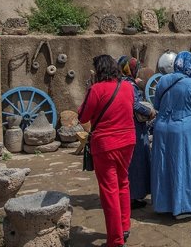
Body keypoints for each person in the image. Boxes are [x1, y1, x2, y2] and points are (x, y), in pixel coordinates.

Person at [78, 55, 136, 247]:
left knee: (109, 191)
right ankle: (124, 226)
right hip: (127, 141)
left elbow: (82, 116)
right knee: (123, 183)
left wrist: (89, 90)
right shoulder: (127, 86)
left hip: (106, 145)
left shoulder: (96, 89)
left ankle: (116, 239)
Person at [151, 51, 191, 219]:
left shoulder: (162, 80)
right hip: (184, 131)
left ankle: (165, 205)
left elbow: (156, 105)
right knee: (184, 166)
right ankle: (185, 206)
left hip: (162, 129)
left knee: (164, 166)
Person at [117, 56, 154, 210]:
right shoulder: (129, 85)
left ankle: (131, 195)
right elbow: (135, 105)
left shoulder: (120, 82)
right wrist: (150, 112)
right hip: (135, 127)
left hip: (126, 125)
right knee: (136, 163)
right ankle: (132, 197)